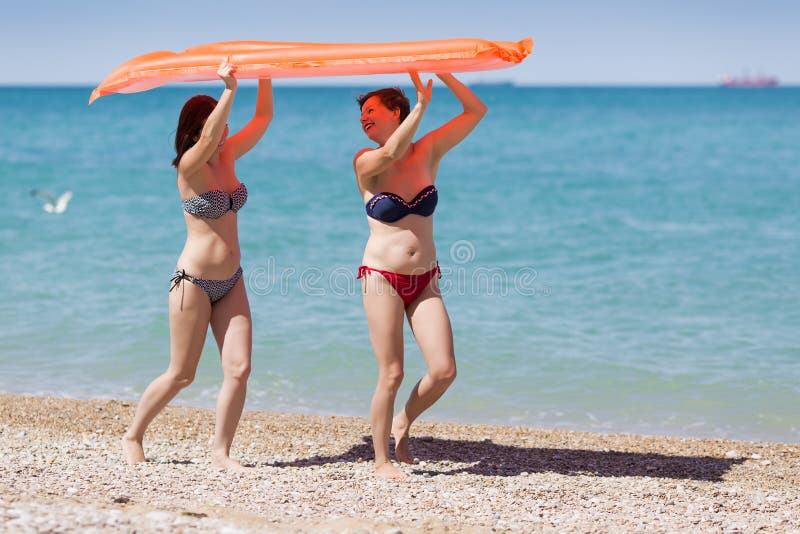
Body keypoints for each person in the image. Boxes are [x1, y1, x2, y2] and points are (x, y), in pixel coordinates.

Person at [121, 60, 273, 471]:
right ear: (199, 128)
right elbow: (207, 139)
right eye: (219, 124)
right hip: (193, 282)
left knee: (239, 369)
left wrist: (267, 70)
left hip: (232, 281)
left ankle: (221, 452)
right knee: (181, 374)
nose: (226, 131)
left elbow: (263, 117)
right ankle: (133, 435)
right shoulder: (189, 166)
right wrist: (228, 89)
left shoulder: (229, 155)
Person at [353, 71, 487, 479]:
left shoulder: (429, 151)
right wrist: (425, 105)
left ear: (396, 111)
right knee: (391, 372)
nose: (364, 119)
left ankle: (403, 422)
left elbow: (476, 110)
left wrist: (444, 71)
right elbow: (393, 153)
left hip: (425, 278)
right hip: (382, 277)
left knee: (444, 370)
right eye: (361, 114)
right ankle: (380, 460)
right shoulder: (366, 161)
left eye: (371, 110)